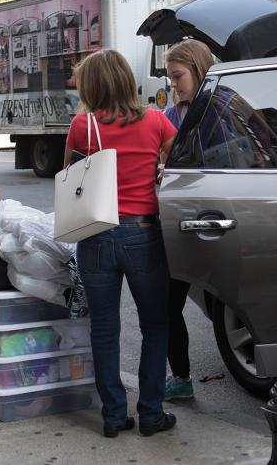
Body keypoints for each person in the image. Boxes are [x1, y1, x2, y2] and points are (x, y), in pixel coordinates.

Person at [64, 49, 176, 438]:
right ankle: (150, 413)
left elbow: (69, 175)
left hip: (95, 234)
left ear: (92, 86)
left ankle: (113, 415)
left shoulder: (83, 126)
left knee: (105, 328)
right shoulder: (157, 121)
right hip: (141, 233)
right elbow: (180, 165)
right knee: (155, 326)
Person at [162, 39, 214, 401]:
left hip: (223, 218)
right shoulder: (170, 116)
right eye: (169, 79)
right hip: (182, 223)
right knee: (168, 306)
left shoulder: (221, 107)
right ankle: (180, 377)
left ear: (198, 70)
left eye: (178, 76)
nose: (173, 85)